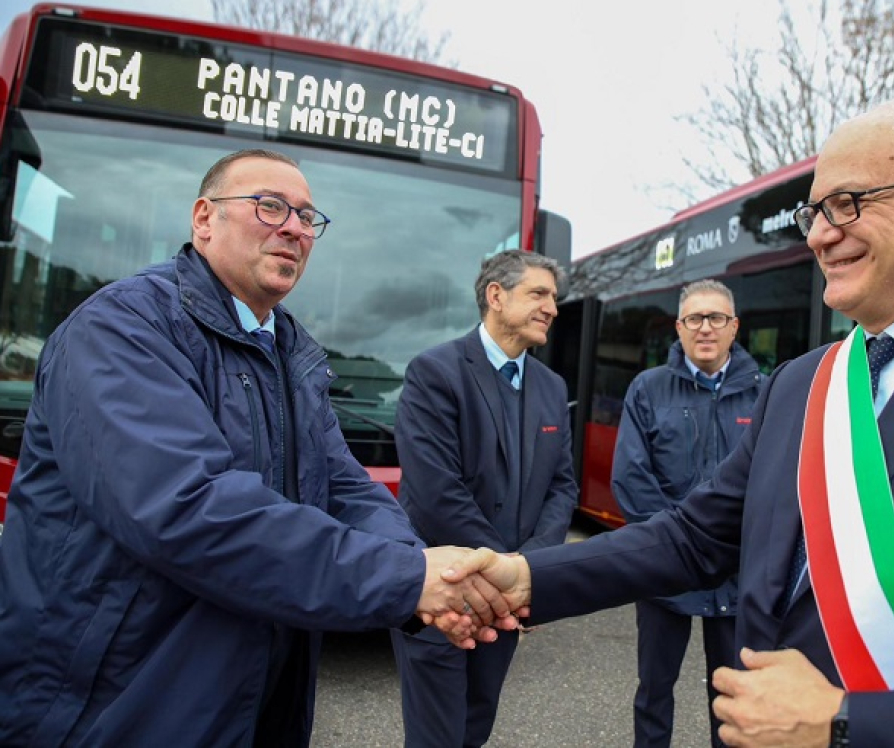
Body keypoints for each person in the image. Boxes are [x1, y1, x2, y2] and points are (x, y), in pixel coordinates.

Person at [448, 100, 894, 747]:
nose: (818, 234)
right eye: (814, 212)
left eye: (846, 204)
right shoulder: (803, 384)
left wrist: (846, 724)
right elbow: (692, 539)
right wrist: (527, 578)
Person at [0, 149, 507, 747]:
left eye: (307, 217)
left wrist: (426, 571)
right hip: (116, 701)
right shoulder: (120, 329)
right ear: (203, 219)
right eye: (270, 206)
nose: (294, 227)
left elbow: (346, 488)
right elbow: (190, 508)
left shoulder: (289, 349)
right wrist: (407, 579)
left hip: (249, 695)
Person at [390, 249, 578, 747]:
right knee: (436, 737)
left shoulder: (553, 387)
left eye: (554, 297)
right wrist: (505, 572)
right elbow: (435, 492)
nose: (552, 308)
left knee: (475, 727)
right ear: (497, 295)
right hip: (444, 595)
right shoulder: (435, 372)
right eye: (539, 293)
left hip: (507, 602)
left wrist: (534, 570)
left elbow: (562, 487)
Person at [613, 278, 763, 748]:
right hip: (664, 572)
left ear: (733, 327)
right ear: (678, 328)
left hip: (738, 573)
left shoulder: (766, 393)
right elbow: (631, 482)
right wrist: (677, 547)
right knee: (654, 690)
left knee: (734, 697)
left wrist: (730, 548)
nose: (705, 328)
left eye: (716, 317)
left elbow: (777, 483)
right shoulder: (647, 389)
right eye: (694, 318)